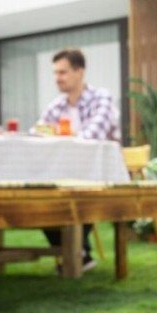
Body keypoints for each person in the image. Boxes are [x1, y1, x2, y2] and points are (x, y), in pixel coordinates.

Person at [36, 47, 120, 273]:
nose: (57, 78)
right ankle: (78, 253)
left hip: (101, 172)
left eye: (62, 72)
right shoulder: (56, 106)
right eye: (55, 73)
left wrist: (61, 138)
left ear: (80, 72)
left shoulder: (101, 98)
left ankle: (75, 253)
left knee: (75, 195)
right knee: (40, 196)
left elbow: (94, 135)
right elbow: (38, 134)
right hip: (65, 172)